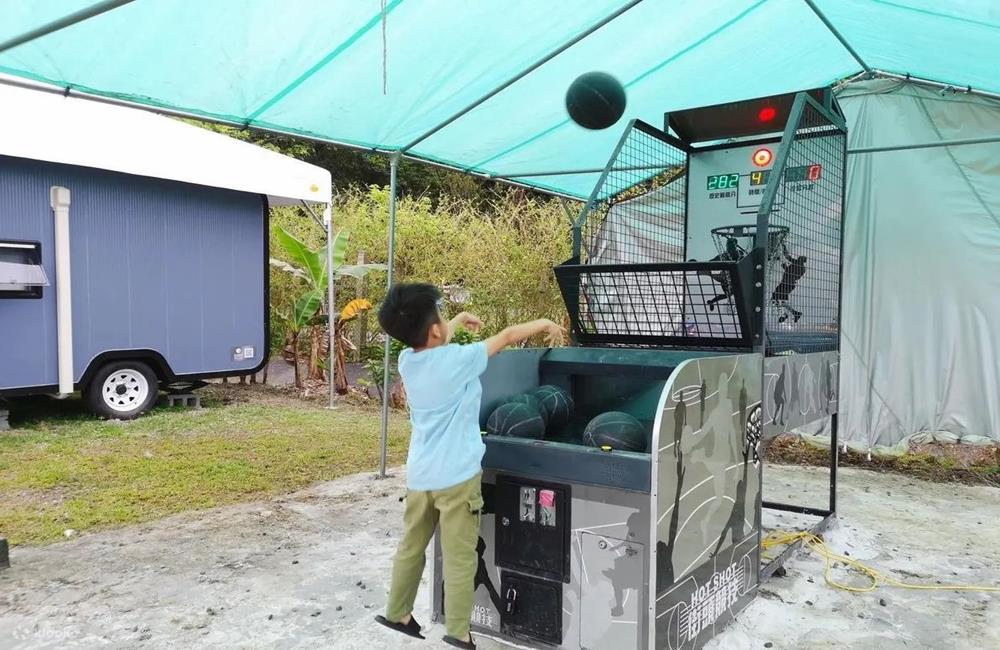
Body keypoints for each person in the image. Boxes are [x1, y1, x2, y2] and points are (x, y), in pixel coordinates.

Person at [374, 282, 564, 649]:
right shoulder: (458, 361)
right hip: (457, 479)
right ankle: (459, 632)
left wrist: (456, 320)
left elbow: (436, 349)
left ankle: (397, 610)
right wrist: (544, 323)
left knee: (412, 544)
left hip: (420, 477)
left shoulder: (407, 362)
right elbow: (506, 337)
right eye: (442, 318)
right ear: (434, 329)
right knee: (461, 557)